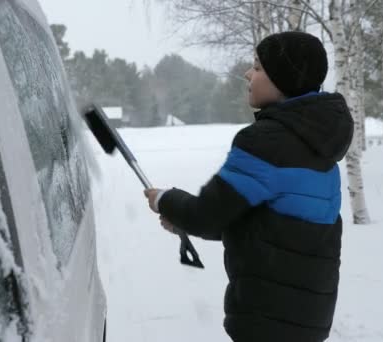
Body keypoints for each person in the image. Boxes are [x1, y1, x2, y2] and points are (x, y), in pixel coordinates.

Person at [144, 31, 353, 342]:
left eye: (257, 67)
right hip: (309, 319)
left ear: (283, 79)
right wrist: (182, 221)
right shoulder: (322, 145)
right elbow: (273, 228)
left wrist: (165, 200)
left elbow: (207, 214)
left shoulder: (265, 142)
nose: (247, 73)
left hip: (266, 319)